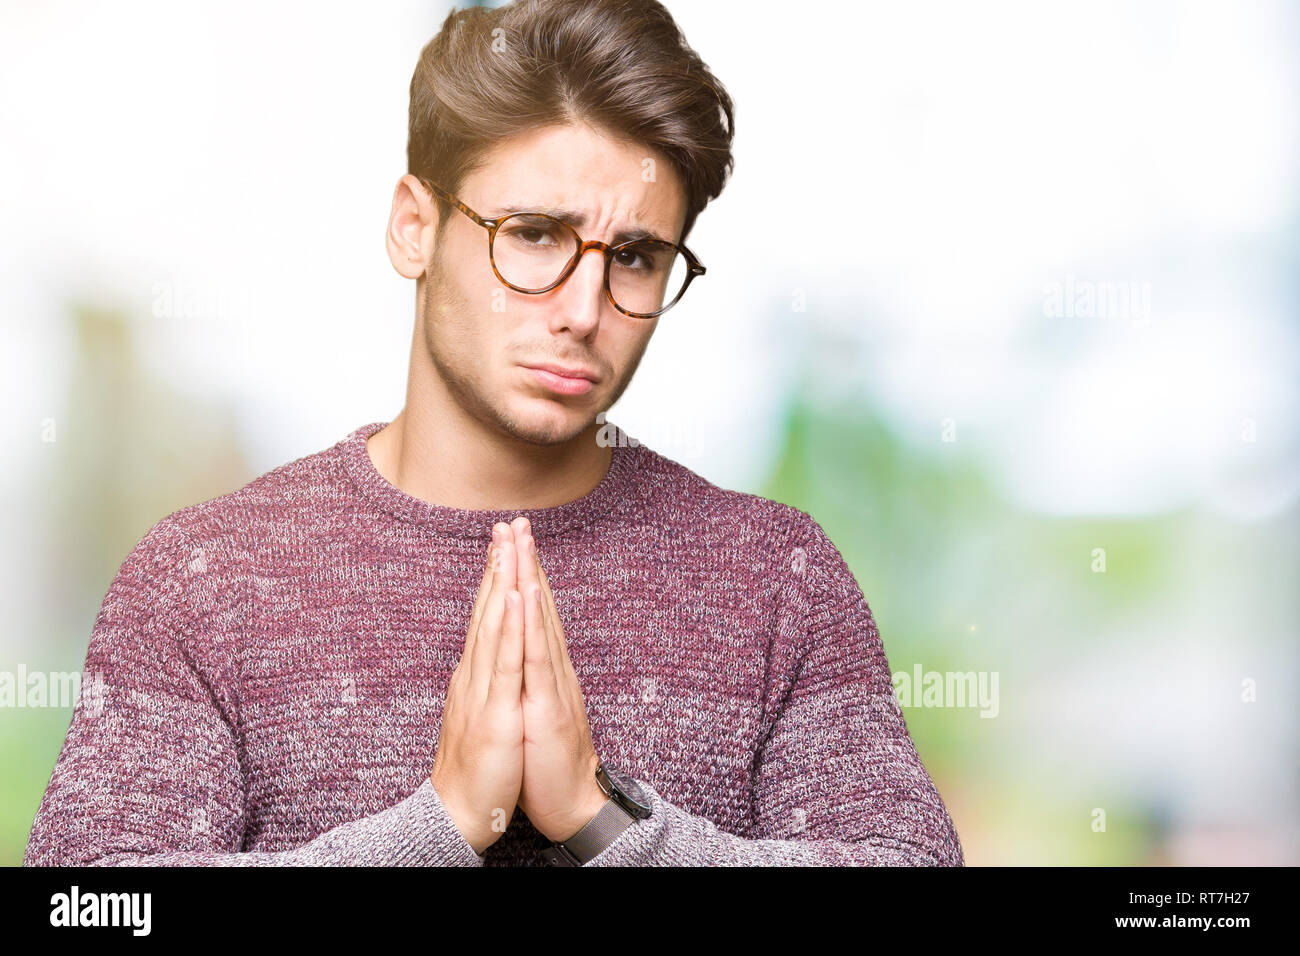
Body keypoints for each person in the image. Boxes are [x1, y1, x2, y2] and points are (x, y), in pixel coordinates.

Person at [24, 0, 963, 866]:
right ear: (413, 227)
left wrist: (603, 829)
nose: (585, 309)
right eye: (536, 234)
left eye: (635, 256)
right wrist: (432, 835)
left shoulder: (775, 578)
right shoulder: (204, 581)